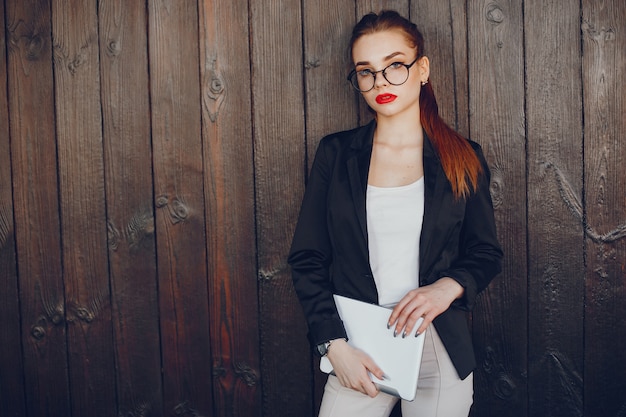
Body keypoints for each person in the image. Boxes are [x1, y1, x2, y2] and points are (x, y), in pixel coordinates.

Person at [288, 10, 503, 417]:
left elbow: (485, 252)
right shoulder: (335, 155)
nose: (380, 82)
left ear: (422, 69)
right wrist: (333, 346)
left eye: (395, 66)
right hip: (357, 348)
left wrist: (446, 288)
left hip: (439, 353)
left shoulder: (462, 157)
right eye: (366, 71)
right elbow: (307, 258)